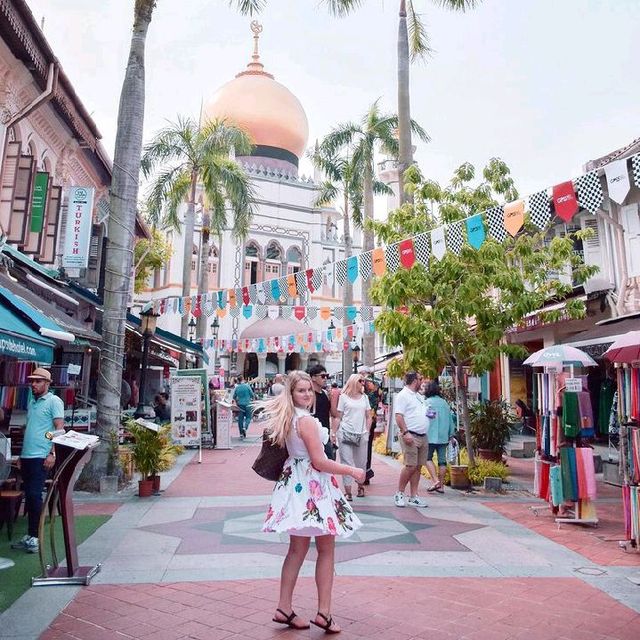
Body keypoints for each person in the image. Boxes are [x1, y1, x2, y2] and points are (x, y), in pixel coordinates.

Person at [260, 370, 364, 633]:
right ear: (291, 394)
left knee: (297, 549)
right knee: (326, 548)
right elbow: (319, 461)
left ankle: (284, 607)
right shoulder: (305, 421)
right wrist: (352, 471)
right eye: (301, 390)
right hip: (312, 486)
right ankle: (324, 613)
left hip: (297, 483)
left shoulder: (291, 418)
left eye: (309, 389)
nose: (307, 394)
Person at [12, 368, 64, 554]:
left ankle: (35, 537)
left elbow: (59, 428)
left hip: (41, 456)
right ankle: (31, 534)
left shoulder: (53, 401)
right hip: (28, 456)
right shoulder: (32, 402)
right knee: (30, 495)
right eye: (32, 381)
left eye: (38, 381)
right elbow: (31, 429)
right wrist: (21, 454)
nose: (33, 384)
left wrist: (53, 452)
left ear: (47, 383)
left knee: (34, 495)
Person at [394, 371, 429, 508]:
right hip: (411, 434)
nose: (422, 381)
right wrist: (405, 432)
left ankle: (414, 495)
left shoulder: (418, 396)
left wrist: (429, 415)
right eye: (420, 379)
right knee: (410, 466)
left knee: (418, 466)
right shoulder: (403, 395)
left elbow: (421, 412)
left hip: (422, 435)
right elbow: (399, 416)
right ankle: (400, 493)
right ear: (415, 380)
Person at [334, 373, 371, 500]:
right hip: (345, 432)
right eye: (361, 380)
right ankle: (348, 491)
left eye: (363, 381)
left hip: (361, 433)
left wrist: (367, 431)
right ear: (354, 381)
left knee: (361, 462)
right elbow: (338, 417)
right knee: (347, 462)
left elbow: (368, 416)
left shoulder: (364, 397)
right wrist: (333, 432)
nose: (363, 383)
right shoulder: (343, 397)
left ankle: (360, 486)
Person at [423, 381, 456, 494]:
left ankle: (435, 480)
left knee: (427, 458)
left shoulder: (427, 403)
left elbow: (426, 418)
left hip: (429, 435)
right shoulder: (445, 403)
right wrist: (451, 434)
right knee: (442, 461)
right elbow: (451, 420)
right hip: (443, 436)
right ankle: (441, 486)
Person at [308, 364, 336, 460]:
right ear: (313, 378)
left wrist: (332, 399)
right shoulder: (309, 395)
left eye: (327, 376)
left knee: (330, 463)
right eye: (323, 376)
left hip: (325, 434)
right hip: (313, 435)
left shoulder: (325, 393)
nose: (325, 379)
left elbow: (333, 414)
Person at [360, 366, 383, 485]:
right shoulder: (378, 384)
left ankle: (362, 472)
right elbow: (381, 399)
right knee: (368, 446)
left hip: (362, 419)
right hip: (372, 418)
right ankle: (366, 471)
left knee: (361, 447)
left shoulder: (364, 384)